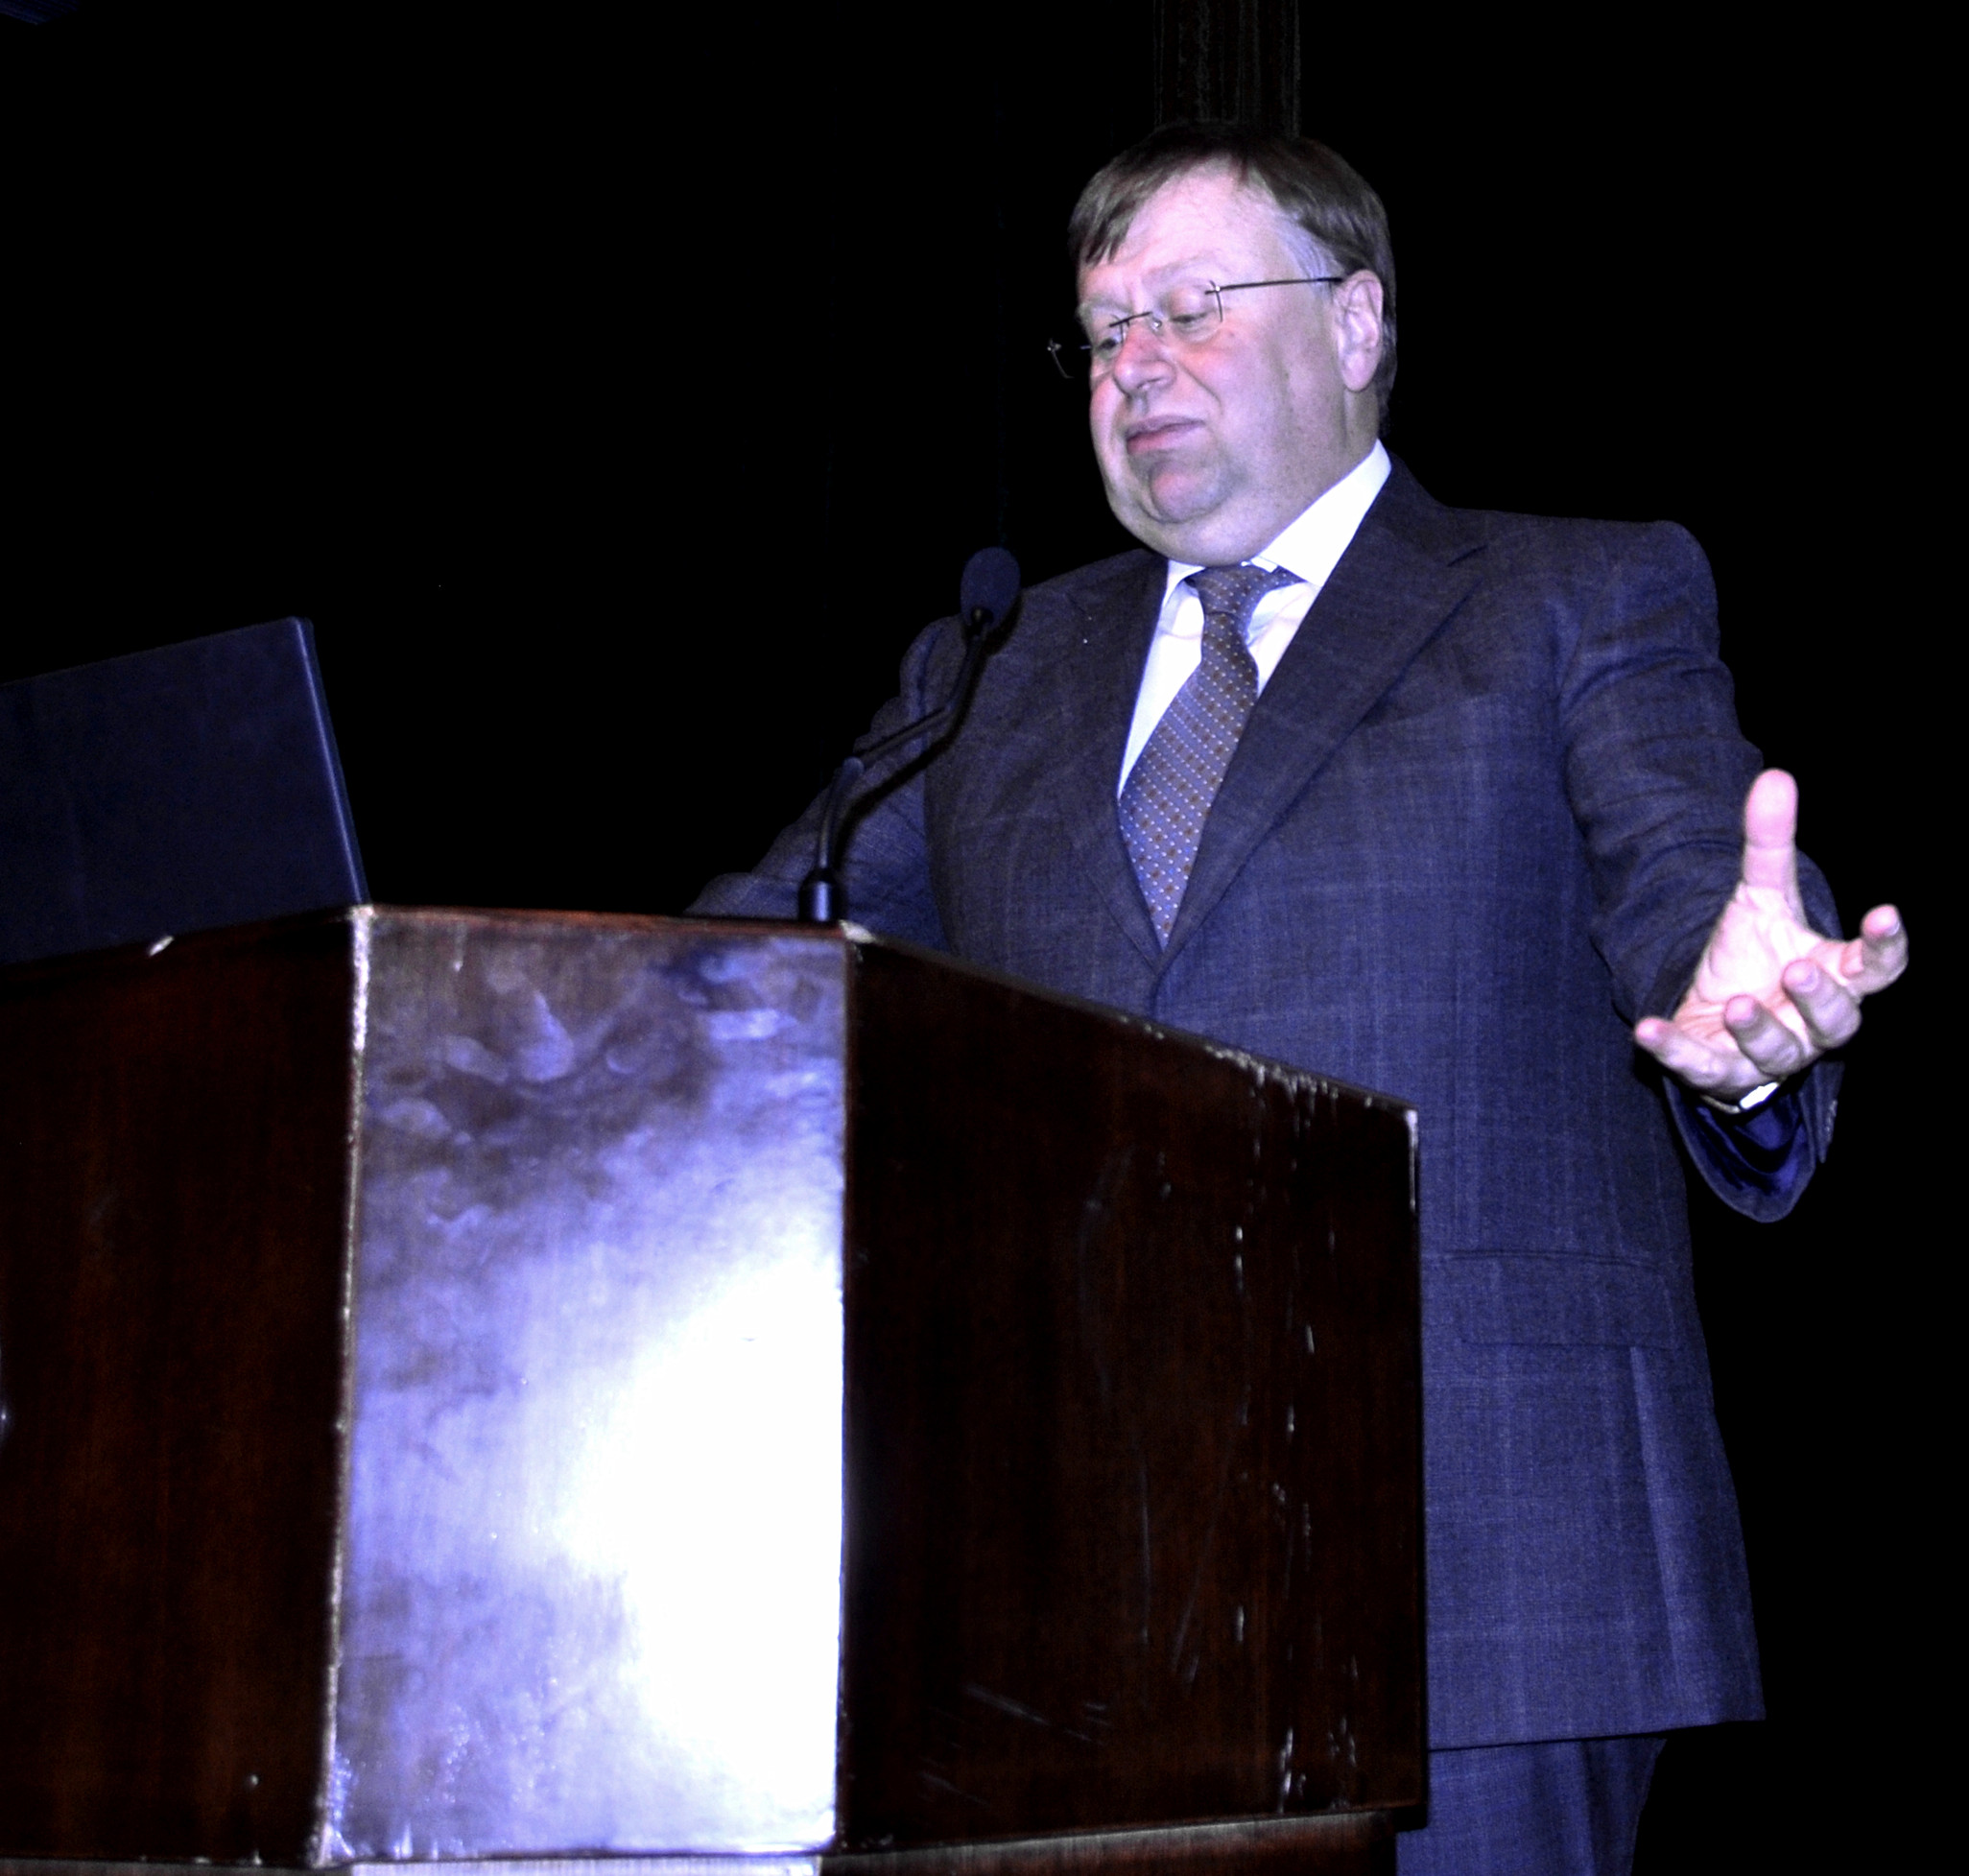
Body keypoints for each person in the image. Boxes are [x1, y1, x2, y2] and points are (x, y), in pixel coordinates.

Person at [693, 124, 1908, 1874]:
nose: (1136, 365)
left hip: (1478, 1564)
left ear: (1355, 324)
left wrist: (1746, 1031)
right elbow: (751, 955)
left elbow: (1689, 894)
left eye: (1191, 308)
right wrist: (522, 1046)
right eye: (1104, 330)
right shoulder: (994, 664)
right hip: (1051, 1584)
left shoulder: (1570, 596)